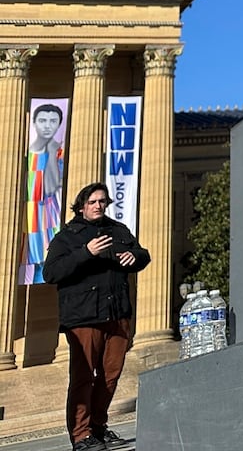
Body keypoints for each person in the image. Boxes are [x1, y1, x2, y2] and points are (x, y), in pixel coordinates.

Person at [42, 181, 149, 451]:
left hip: (117, 314)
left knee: (110, 376)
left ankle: (98, 428)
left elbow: (142, 254)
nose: (99, 205)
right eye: (93, 202)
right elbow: (51, 273)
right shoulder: (67, 237)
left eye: (103, 201)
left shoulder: (117, 230)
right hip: (84, 317)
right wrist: (85, 253)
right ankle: (80, 436)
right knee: (83, 377)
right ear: (81, 206)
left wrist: (133, 257)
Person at [24, 102, 66, 284]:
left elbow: (50, 187)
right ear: (34, 122)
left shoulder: (58, 152)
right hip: (27, 216)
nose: (48, 125)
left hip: (48, 218)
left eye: (53, 121)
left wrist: (51, 153)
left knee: (43, 264)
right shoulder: (27, 153)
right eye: (42, 120)